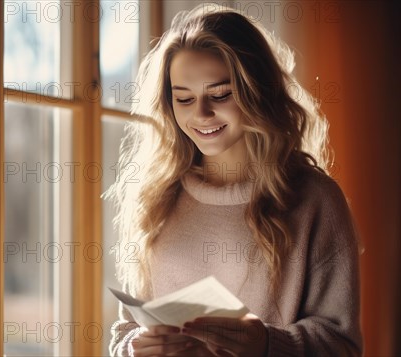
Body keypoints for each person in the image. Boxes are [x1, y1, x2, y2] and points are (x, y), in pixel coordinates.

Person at [105, 4, 363, 356]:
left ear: (257, 90)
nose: (201, 114)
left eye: (220, 94)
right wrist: (133, 349)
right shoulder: (157, 196)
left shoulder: (315, 201)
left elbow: (343, 345)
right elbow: (127, 328)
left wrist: (268, 345)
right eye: (184, 98)